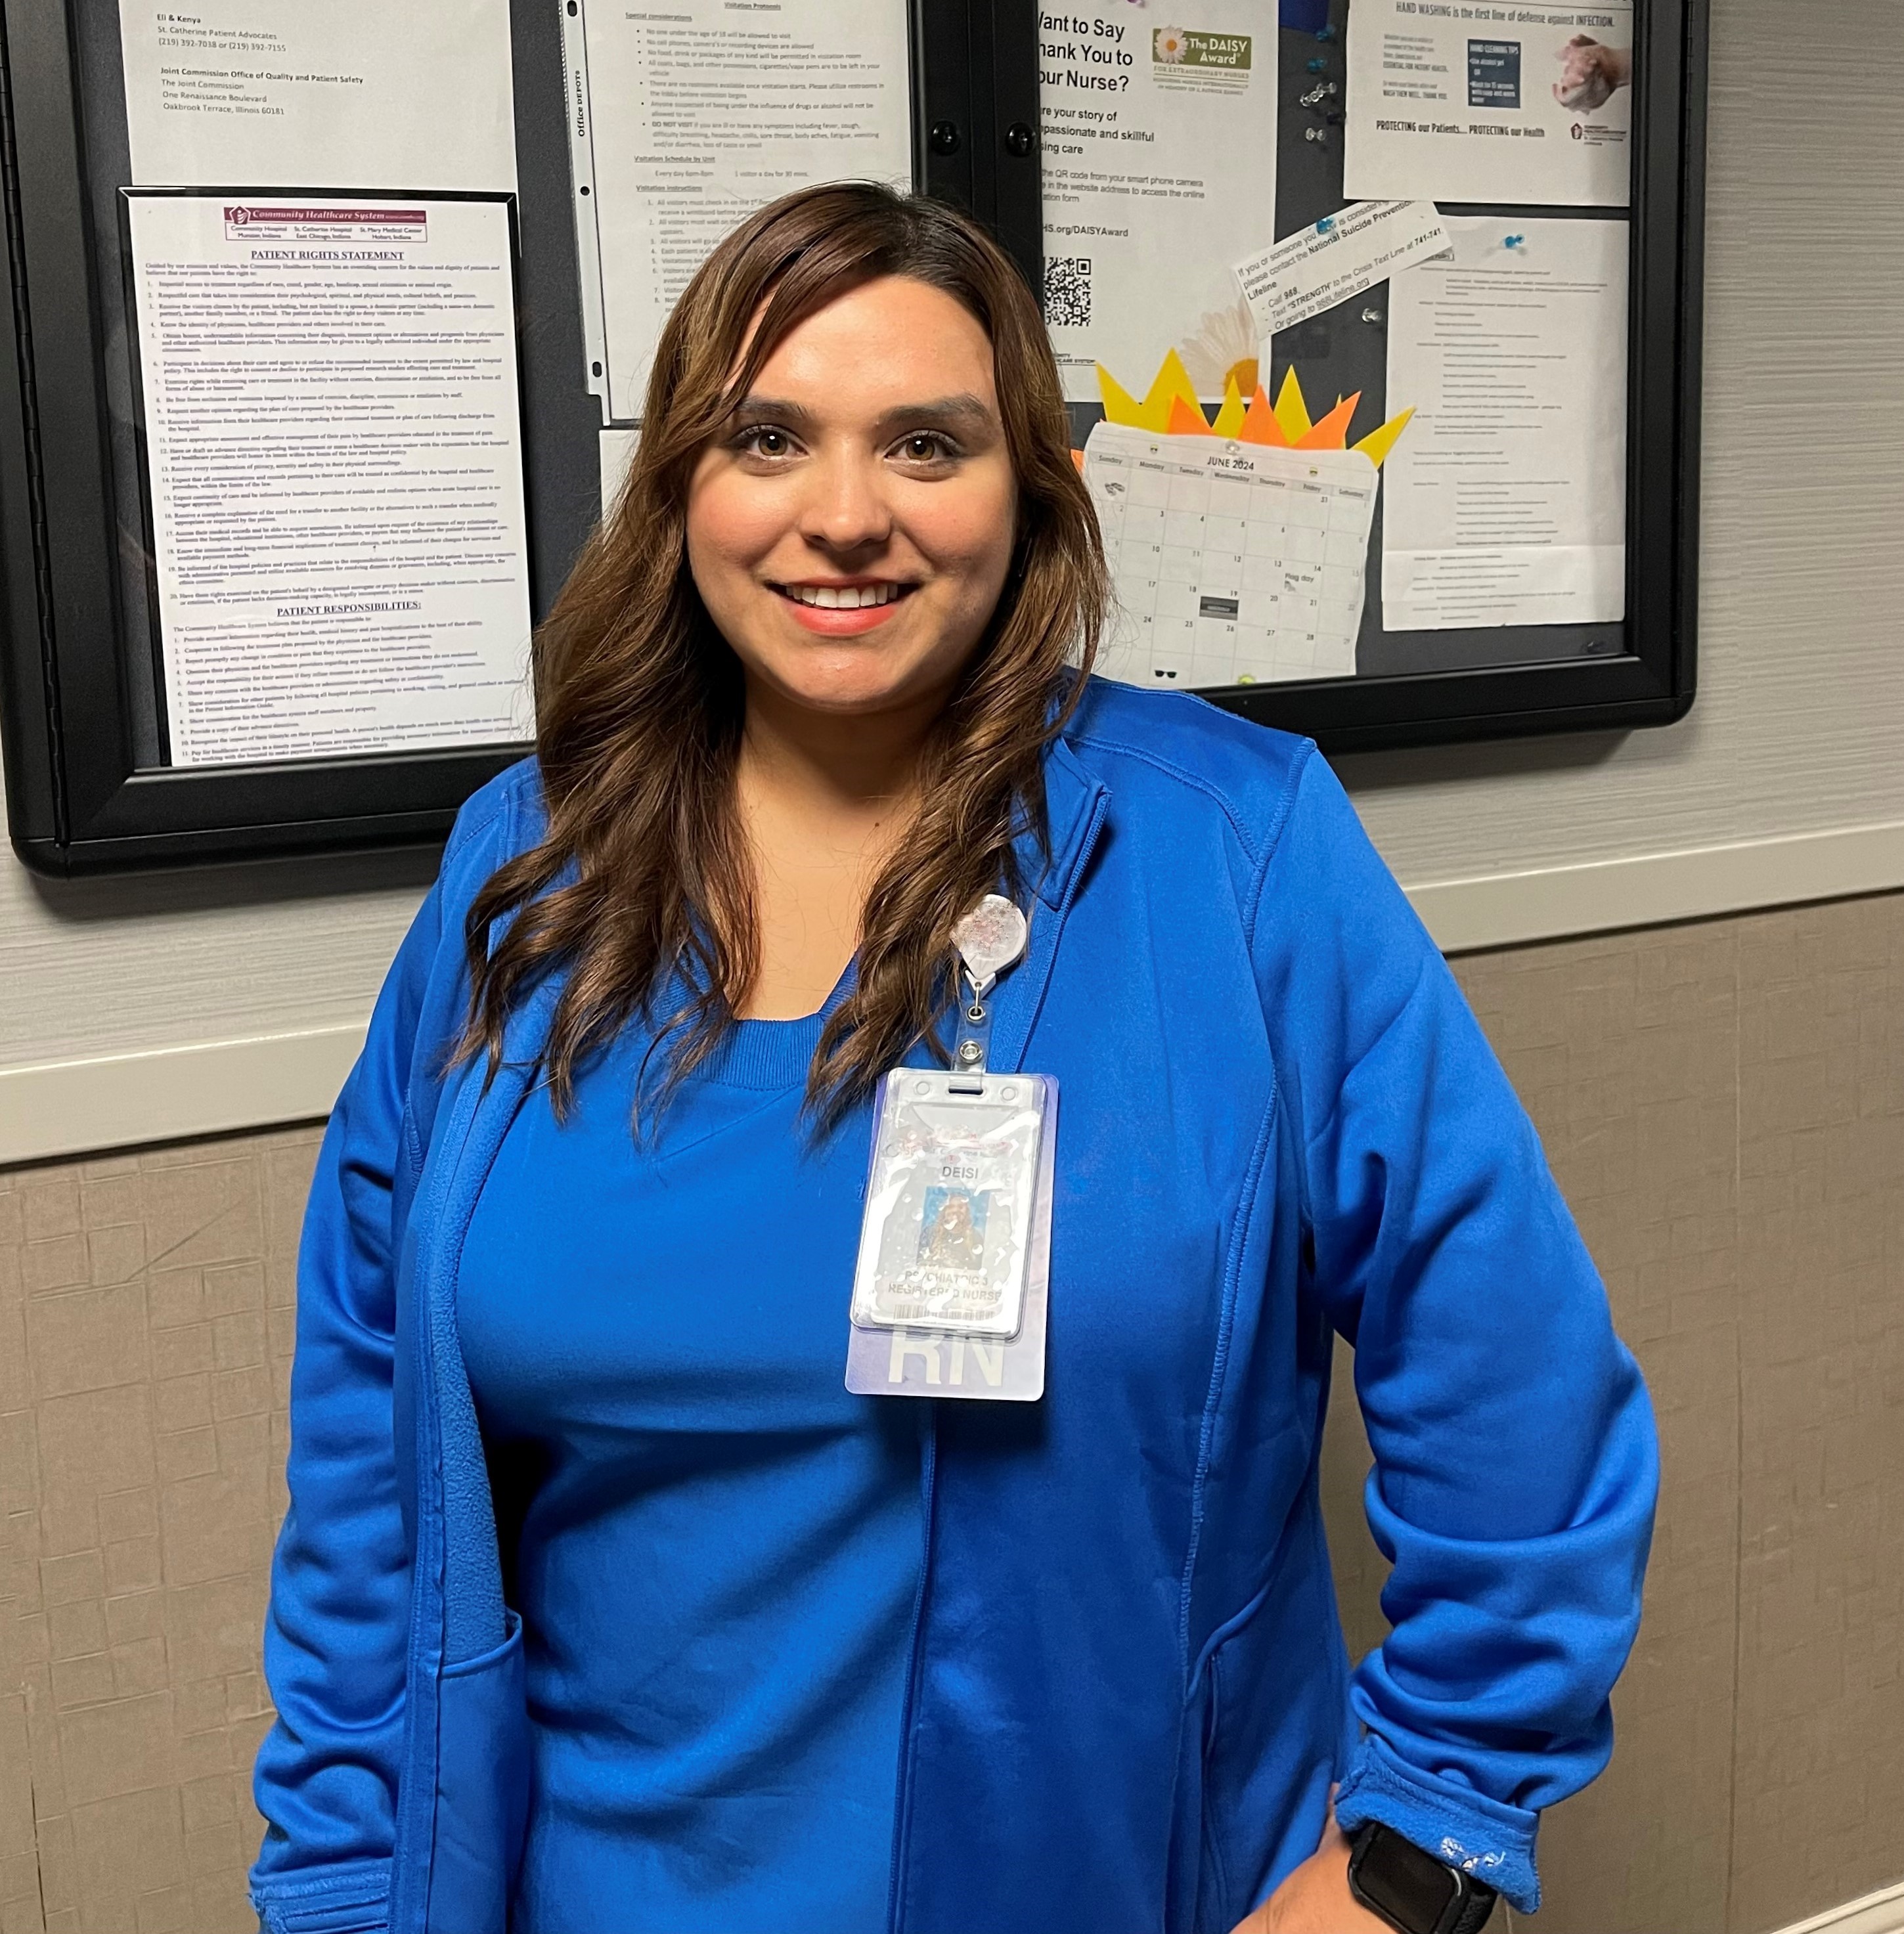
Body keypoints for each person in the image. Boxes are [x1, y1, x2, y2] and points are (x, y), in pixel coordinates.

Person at [249, 182, 1657, 1934]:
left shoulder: (1229, 853)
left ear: (1025, 492)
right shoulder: (521, 875)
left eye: (926, 442)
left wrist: (1414, 1854)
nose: (845, 517)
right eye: (769, 436)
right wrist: (339, 1897)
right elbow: (368, 1504)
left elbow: (1517, 1391)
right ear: (684, 482)